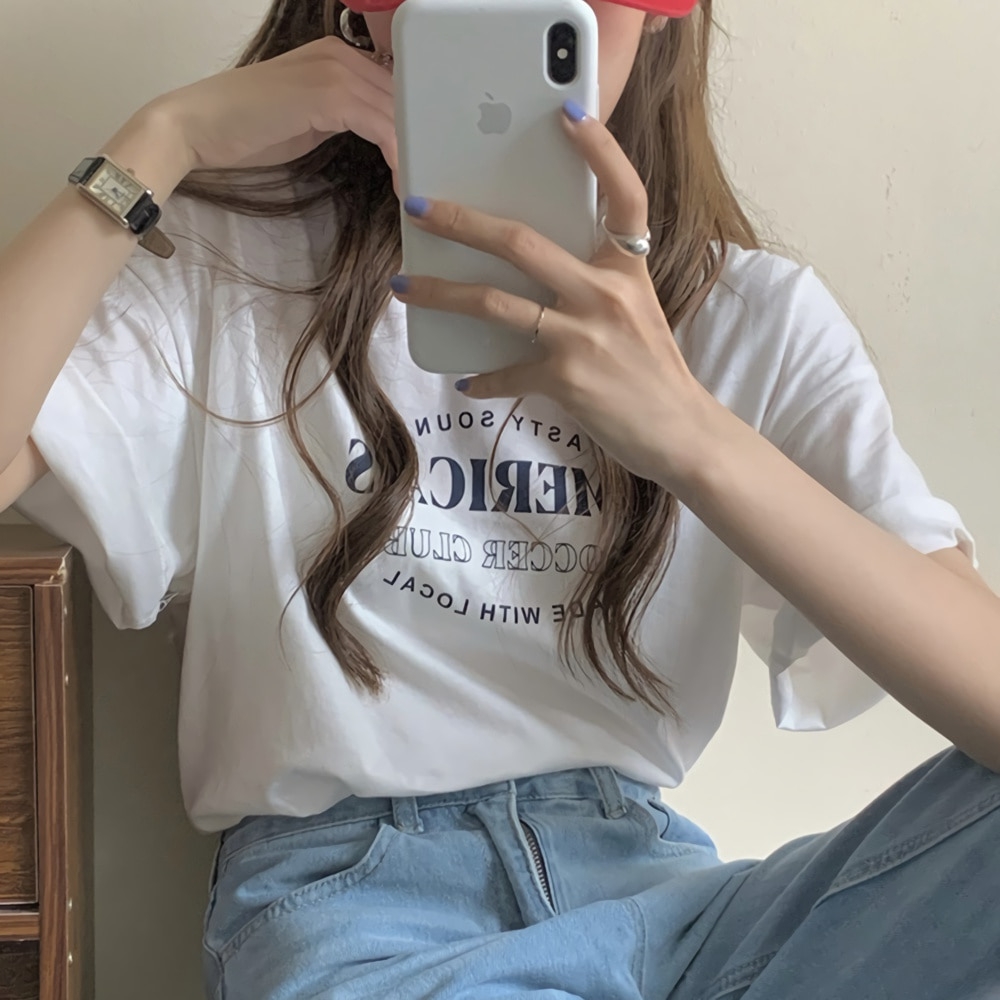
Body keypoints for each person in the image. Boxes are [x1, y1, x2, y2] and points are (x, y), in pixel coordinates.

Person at [1, 0, 997, 997]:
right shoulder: (234, 272)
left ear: (662, 17)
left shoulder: (750, 317)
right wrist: (163, 138)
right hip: (359, 913)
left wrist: (691, 435)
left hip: (664, 909)